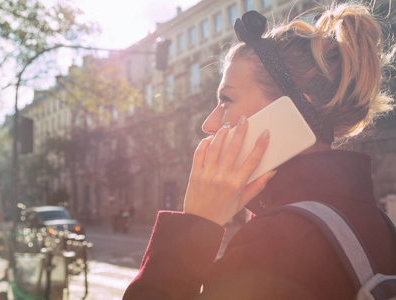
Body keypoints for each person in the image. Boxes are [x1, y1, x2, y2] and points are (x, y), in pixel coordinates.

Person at [123, 3, 396, 300]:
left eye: (226, 99)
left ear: (293, 112)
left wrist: (195, 224)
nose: (208, 124)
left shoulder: (273, 243)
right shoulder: (381, 225)